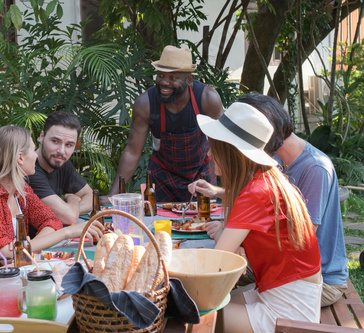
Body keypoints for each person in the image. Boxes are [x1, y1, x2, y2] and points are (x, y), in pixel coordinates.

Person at [199, 93, 348, 307]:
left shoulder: (315, 167)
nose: (209, 156)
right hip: (288, 275)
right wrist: (218, 192)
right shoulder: (275, 167)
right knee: (219, 279)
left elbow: (298, 239)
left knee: (213, 295)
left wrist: (232, 242)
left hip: (319, 281)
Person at [190, 102, 322, 332]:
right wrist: (236, 249)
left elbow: (215, 263)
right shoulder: (267, 181)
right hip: (286, 295)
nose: (209, 154)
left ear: (231, 152)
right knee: (202, 304)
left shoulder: (256, 193)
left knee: (190, 313)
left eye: (214, 147)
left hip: (288, 308)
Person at [0, 125, 103, 293]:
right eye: (33, 150)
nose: (36, 156)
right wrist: (68, 232)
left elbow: (51, 220)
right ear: (20, 158)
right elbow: (4, 250)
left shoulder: (20, 189)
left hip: (8, 274)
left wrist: (23, 251)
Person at [102, 45, 223, 204]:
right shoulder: (145, 103)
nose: (164, 82)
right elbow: (132, 151)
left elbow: (224, 146)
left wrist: (230, 193)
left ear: (189, 79)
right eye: (160, 75)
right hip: (162, 178)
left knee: (204, 222)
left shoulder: (207, 98)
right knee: (157, 223)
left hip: (200, 174)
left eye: (173, 78)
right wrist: (113, 195)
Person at [26, 111, 93, 225]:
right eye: (55, 141)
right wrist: (73, 200)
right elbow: (69, 217)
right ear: (42, 137)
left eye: (69, 145)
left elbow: (91, 196)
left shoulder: (61, 162)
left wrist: (72, 209)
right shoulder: (29, 169)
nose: (61, 151)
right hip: (31, 241)